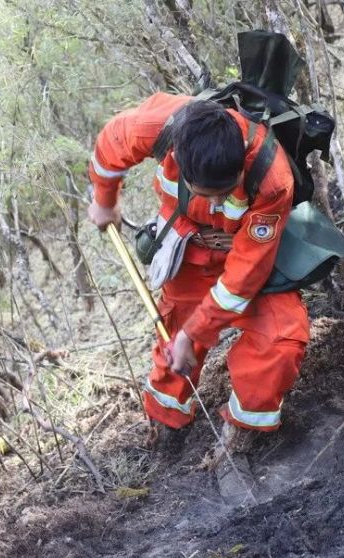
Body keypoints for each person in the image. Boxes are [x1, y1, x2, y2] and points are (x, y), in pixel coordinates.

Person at [87, 92, 310, 504]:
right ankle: (166, 429)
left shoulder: (272, 177)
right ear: (179, 160)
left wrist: (198, 332)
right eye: (206, 193)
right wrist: (105, 200)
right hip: (188, 250)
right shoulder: (157, 127)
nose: (217, 203)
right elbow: (110, 144)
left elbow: (243, 279)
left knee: (281, 338)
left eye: (225, 194)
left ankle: (233, 446)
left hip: (245, 259)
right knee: (173, 339)